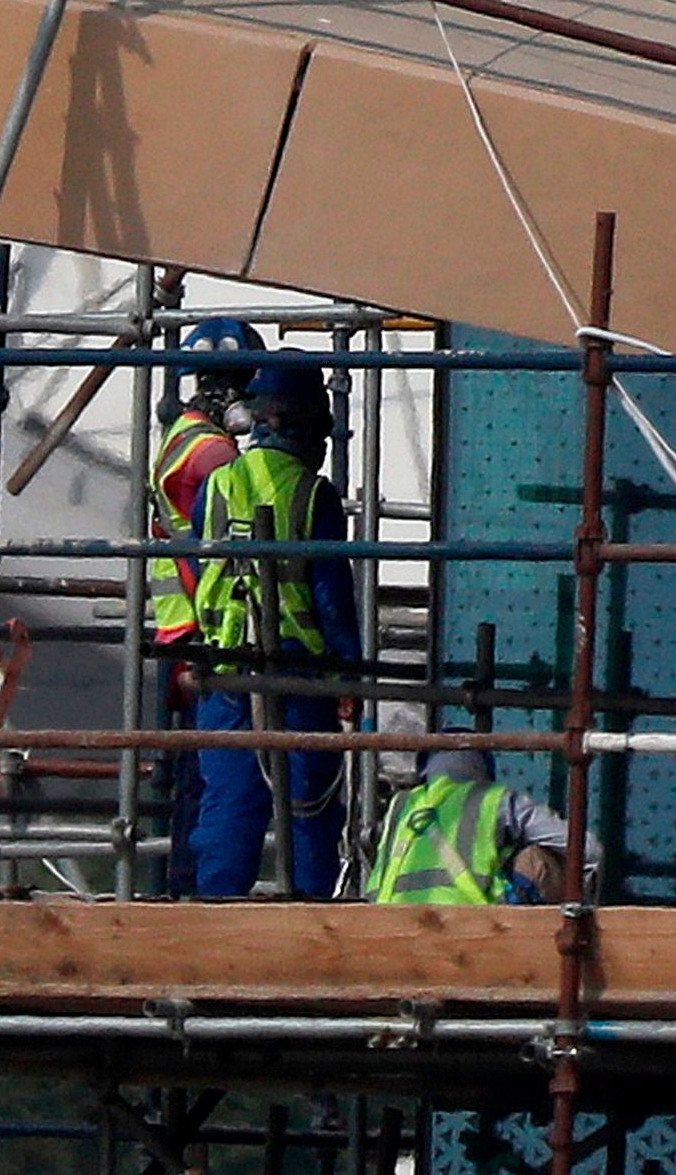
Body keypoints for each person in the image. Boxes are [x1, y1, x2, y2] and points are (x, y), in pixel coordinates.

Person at [184, 359, 360, 899]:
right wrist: (350, 678)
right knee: (308, 807)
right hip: (297, 673)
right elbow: (330, 599)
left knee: (229, 805)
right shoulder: (312, 494)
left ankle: (216, 919)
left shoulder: (217, 486)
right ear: (308, 426)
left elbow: (199, 569)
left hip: (224, 669)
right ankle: (310, 923)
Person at [145, 319, 262, 892]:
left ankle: (182, 886)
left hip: (183, 629)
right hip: (203, 630)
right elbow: (241, 521)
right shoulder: (211, 451)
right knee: (214, 778)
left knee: (198, 776)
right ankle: (192, 891)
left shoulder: (180, 437)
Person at [366, 742, 574, 906]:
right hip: (476, 929)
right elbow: (584, 847)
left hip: (385, 929)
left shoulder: (399, 806)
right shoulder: (493, 798)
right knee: (536, 860)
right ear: (485, 772)